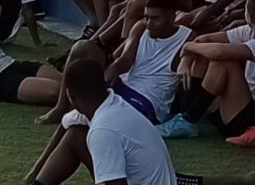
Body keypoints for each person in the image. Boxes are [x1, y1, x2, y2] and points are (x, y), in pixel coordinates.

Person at [39, 0, 194, 127]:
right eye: (147, 17)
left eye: (155, 18)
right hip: (124, 85)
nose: (149, 23)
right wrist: (113, 69)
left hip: (150, 100)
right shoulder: (141, 28)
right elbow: (125, 59)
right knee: (82, 46)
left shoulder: (188, 38)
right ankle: (60, 107)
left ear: (172, 16)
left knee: (99, 118)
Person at [157, 0, 255, 143]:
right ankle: (185, 115)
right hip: (238, 108)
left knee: (224, 62)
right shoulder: (249, 31)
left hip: (253, 118)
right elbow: (203, 40)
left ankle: (189, 119)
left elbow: (219, 53)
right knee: (204, 53)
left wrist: (187, 47)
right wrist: (186, 59)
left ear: (249, 15)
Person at [27, 60, 177, 185]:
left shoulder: (103, 130)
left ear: (70, 95)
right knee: (76, 135)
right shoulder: (112, 104)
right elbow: (66, 124)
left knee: (78, 136)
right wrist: (35, 172)